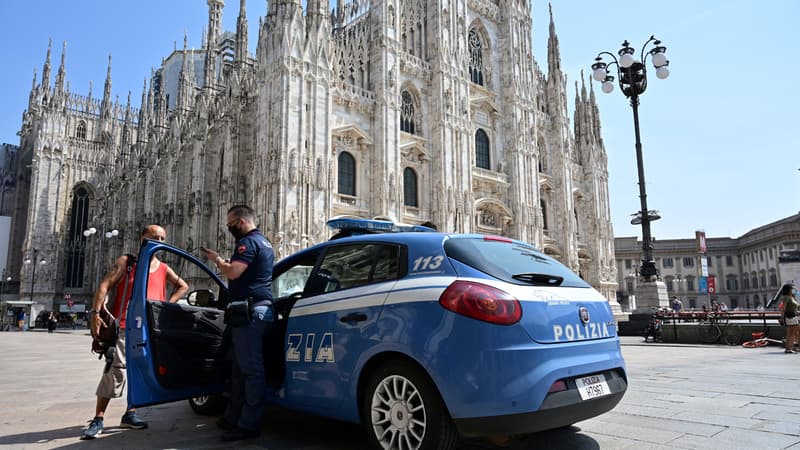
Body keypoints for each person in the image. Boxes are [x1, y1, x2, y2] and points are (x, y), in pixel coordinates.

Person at [81, 225, 189, 440]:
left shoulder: (163, 268)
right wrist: (95, 312)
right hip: (125, 326)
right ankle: (98, 418)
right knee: (116, 370)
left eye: (162, 238)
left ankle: (130, 413)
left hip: (150, 328)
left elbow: (182, 286)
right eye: (154, 236)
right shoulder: (128, 263)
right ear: (143, 238)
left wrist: (165, 305)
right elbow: (104, 286)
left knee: (140, 372)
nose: (158, 240)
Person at [203, 205, 275, 442]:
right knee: (238, 369)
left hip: (250, 312)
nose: (229, 228)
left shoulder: (247, 243)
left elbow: (234, 272)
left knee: (251, 371)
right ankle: (232, 417)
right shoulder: (264, 242)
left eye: (231, 224)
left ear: (242, 222)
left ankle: (248, 424)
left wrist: (218, 261)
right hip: (253, 311)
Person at [779, 283, 798, 354]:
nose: (793, 290)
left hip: (793, 315)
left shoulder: (791, 297)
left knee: (793, 332)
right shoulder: (786, 297)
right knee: (791, 333)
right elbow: (783, 308)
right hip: (790, 316)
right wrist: (781, 317)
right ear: (788, 290)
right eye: (792, 289)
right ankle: (789, 348)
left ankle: (791, 347)